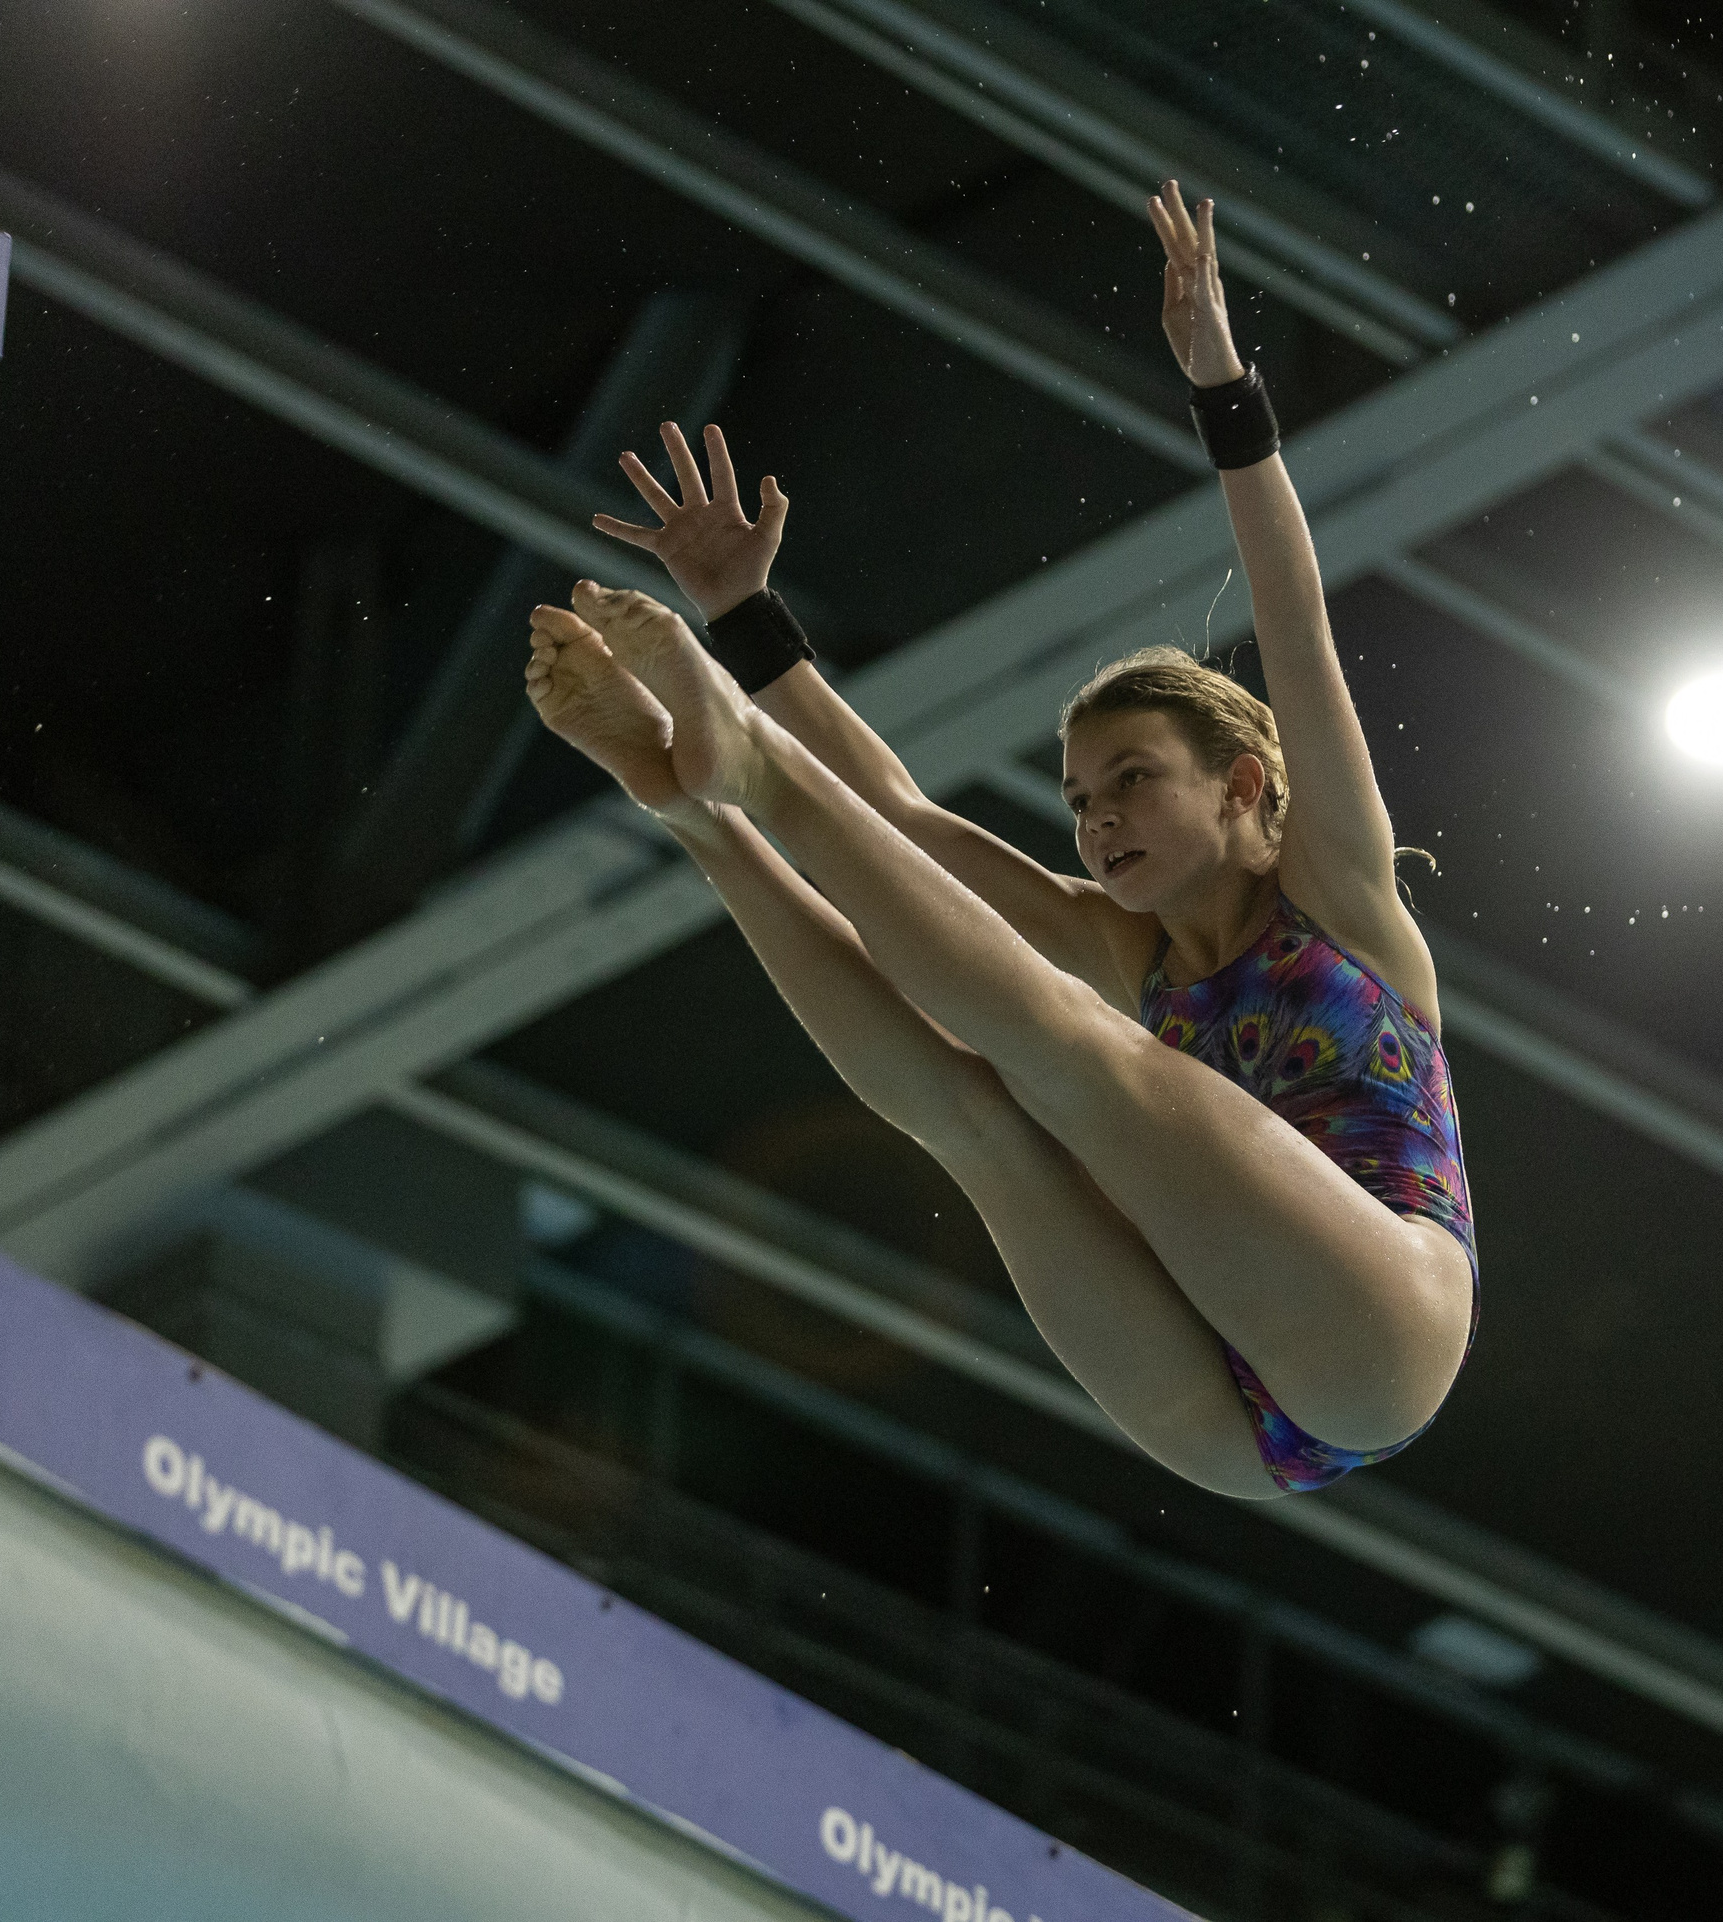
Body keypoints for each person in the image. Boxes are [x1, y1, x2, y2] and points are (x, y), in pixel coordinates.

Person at [524, 182, 1474, 1499]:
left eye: (1131, 780)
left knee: (1073, 1052)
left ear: (1247, 782)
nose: (1095, 819)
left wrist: (1225, 394)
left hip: (1373, 1339)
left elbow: (1294, 619)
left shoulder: (1337, 893)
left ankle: (744, 783)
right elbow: (907, 820)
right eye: (1081, 797)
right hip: (1229, 1423)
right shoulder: (1114, 939)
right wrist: (750, 621)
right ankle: (706, 817)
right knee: (976, 1110)